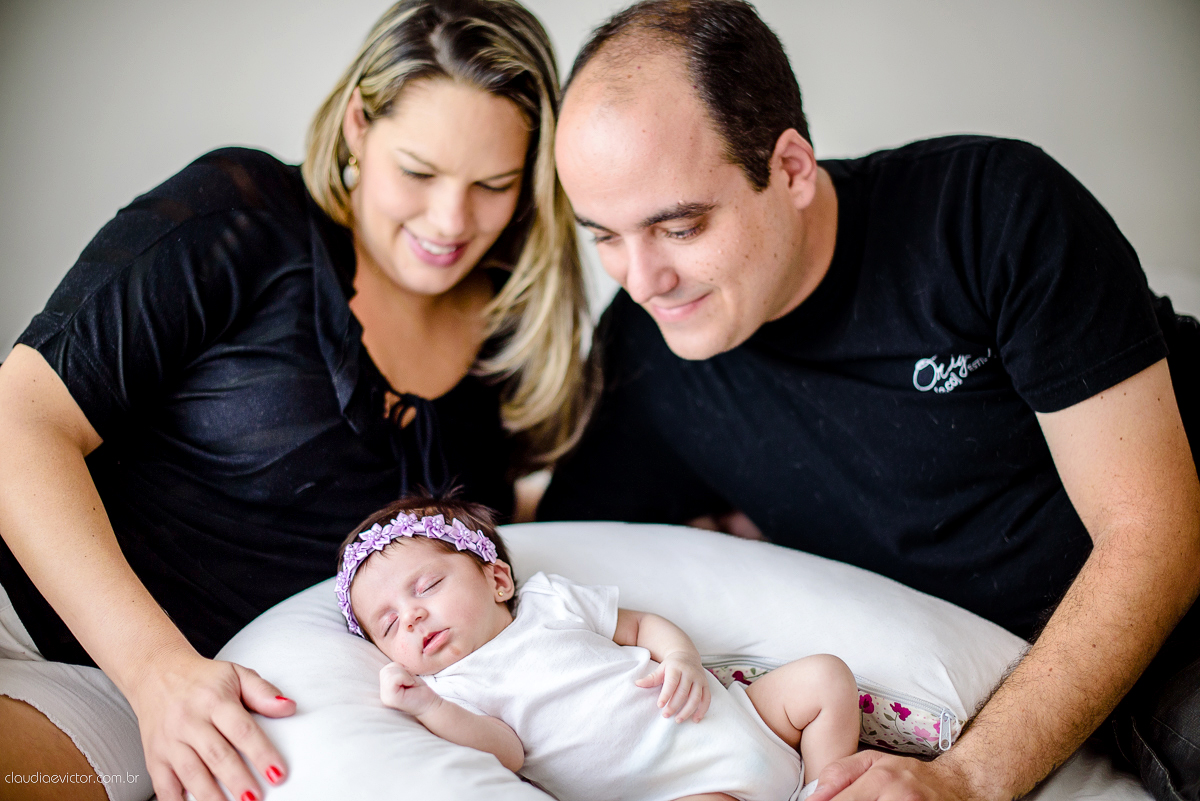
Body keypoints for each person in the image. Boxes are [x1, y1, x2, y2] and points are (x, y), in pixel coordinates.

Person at [538, 2, 1200, 801]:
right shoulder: (647, 356)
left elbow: (1154, 536)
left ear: (789, 167)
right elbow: (553, 581)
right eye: (604, 235)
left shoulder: (987, 213)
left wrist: (966, 777)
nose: (641, 281)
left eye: (679, 228)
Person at [0, 2, 592, 801]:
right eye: (419, 171)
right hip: (73, 631)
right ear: (356, 124)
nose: (452, 222)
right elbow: (16, 425)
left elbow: (459, 535)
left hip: (193, 690)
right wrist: (157, 672)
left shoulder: (505, 346)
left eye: (493, 185)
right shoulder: (241, 216)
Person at [337, 496, 860, 801]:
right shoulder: (453, 690)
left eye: (425, 587)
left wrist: (681, 658)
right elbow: (506, 751)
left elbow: (642, 627)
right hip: (678, 788)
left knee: (825, 676)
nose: (412, 617)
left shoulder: (549, 601)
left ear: (497, 579)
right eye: (387, 625)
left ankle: (825, 787)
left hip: (740, 717)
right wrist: (427, 706)